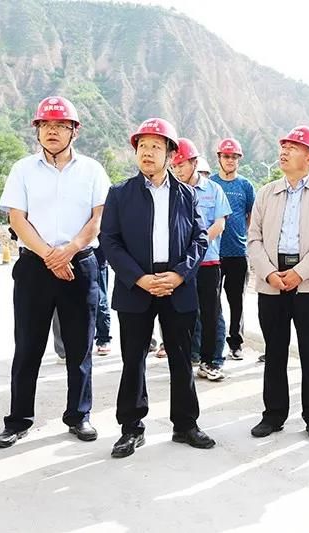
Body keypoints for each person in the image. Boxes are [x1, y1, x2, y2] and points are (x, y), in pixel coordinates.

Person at [0, 96, 109, 448]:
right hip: (35, 266)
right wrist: (50, 256)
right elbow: (17, 219)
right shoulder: (23, 169)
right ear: (37, 131)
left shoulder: (92, 170)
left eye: (60, 125)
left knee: (79, 347)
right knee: (28, 346)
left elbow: (99, 218)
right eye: (45, 125)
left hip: (81, 264)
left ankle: (79, 416)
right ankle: (18, 420)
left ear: (75, 131)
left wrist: (69, 250)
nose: (52, 131)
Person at [100, 118, 215, 458]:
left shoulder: (187, 195)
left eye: (155, 146)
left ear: (170, 154)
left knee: (181, 359)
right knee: (133, 360)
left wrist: (180, 275)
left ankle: (185, 425)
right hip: (136, 286)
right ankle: (131, 428)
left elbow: (200, 239)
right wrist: (139, 278)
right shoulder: (120, 193)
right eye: (142, 146)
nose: (147, 153)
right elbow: (110, 240)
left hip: (177, 286)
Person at [247, 126, 309, 441]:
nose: (284, 152)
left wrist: (300, 272)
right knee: (274, 351)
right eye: (283, 146)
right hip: (271, 280)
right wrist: (269, 273)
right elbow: (254, 239)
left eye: (293, 147)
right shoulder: (266, 193)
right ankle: (273, 415)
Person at [171, 137, 232, 381]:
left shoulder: (213, 190)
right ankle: (188, 358)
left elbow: (220, 223)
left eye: (181, 165)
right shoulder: (172, 191)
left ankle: (212, 360)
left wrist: (198, 245)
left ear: (194, 163)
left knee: (211, 313)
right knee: (184, 312)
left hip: (208, 262)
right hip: (181, 265)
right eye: (174, 166)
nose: (177, 170)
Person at [211, 138, 256, 361]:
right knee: (212, 301)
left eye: (234, 157)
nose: (230, 160)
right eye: (226, 156)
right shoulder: (210, 183)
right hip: (213, 253)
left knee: (236, 301)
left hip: (238, 252)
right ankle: (213, 343)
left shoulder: (245, 186)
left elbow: (251, 215)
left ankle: (236, 342)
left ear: (239, 160)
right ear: (219, 158)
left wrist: (242, 235)